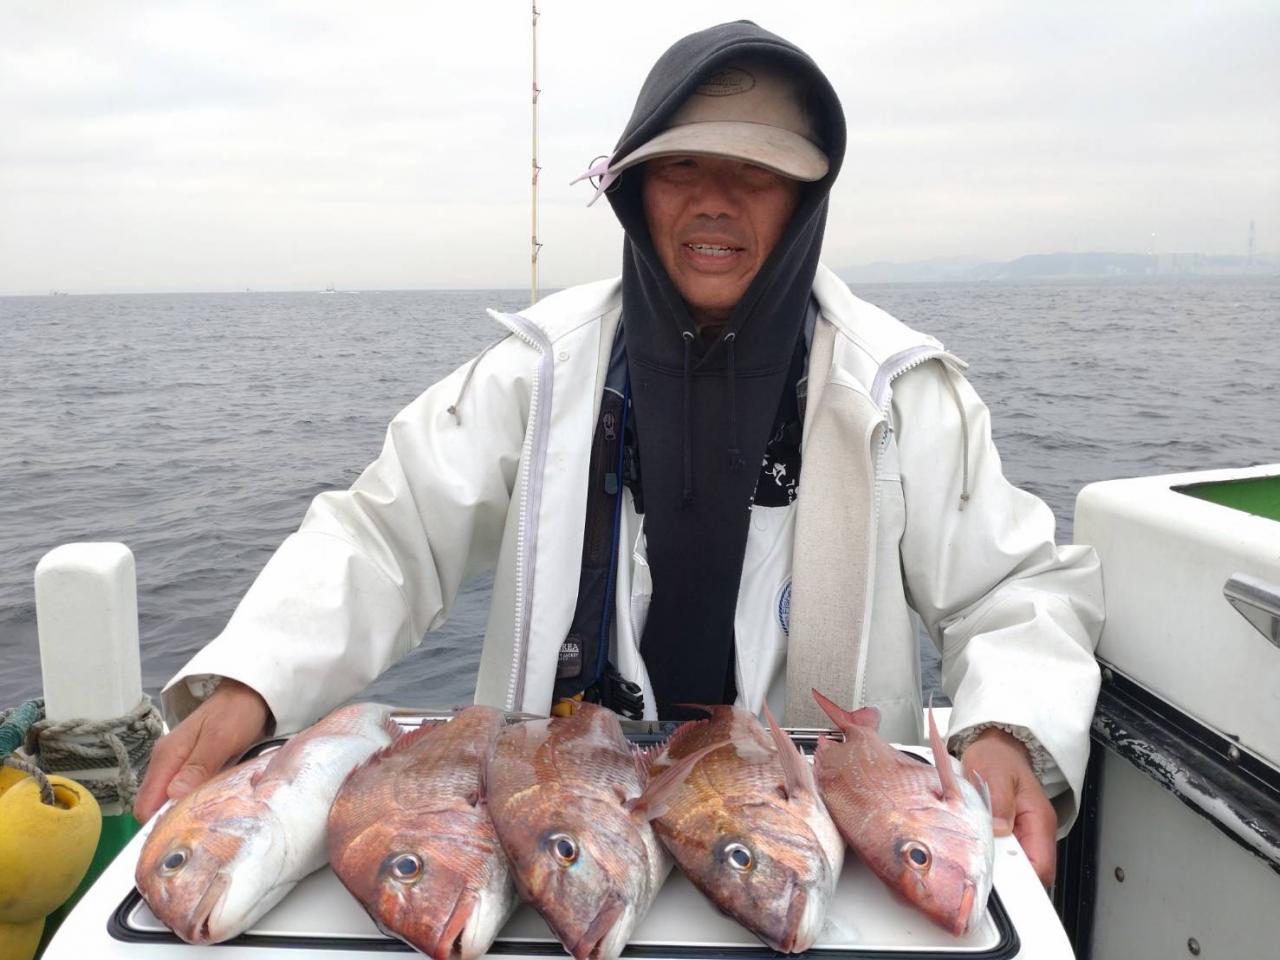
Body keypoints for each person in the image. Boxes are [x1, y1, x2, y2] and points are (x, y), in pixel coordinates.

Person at [135, 21, 1102, 888]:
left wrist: (1008, 729)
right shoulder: (537, 371)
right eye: (681, 169)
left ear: (806, 198)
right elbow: (385, 536)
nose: (715, 202)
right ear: (635, 192)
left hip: (815, 854)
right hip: (552, 846)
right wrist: (254, 678)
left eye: (757, 175)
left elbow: (1010, 588)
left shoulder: (899, 391)